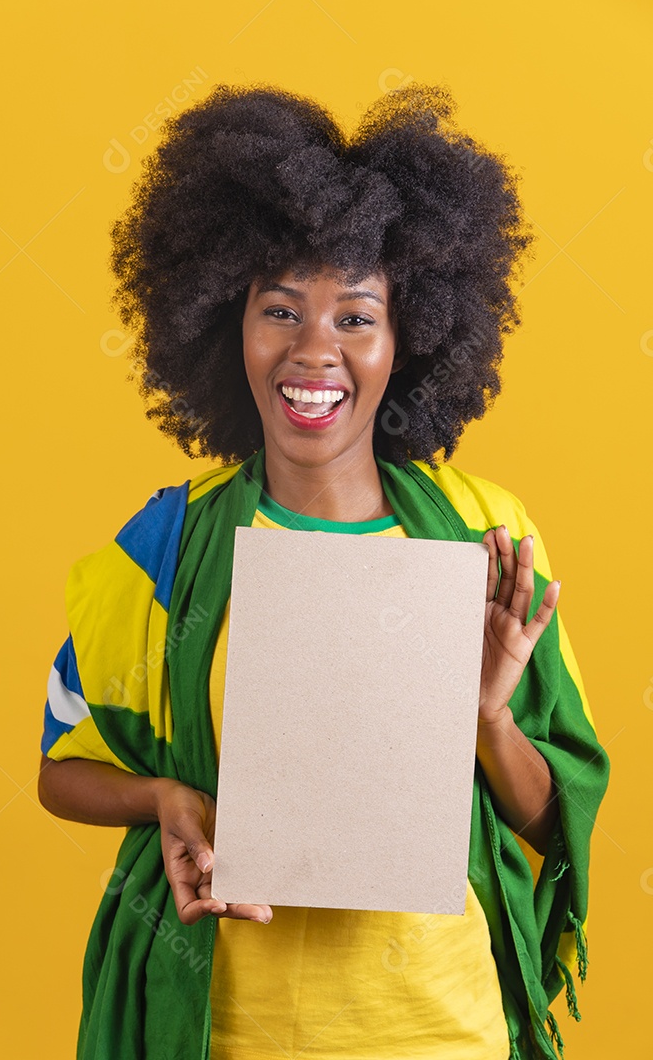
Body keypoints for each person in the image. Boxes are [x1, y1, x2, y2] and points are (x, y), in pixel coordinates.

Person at [37, 82, 610, 1060]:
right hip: (225, 1029)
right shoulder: (169, 546)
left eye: (355, 316)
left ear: (407, 337)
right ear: (226, 323)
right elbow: (61, 769)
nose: (314, 351)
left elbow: (556, 823)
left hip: (442, 1028)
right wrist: (166, 798)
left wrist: (487, 717)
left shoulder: (482, 537)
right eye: (280, 310)